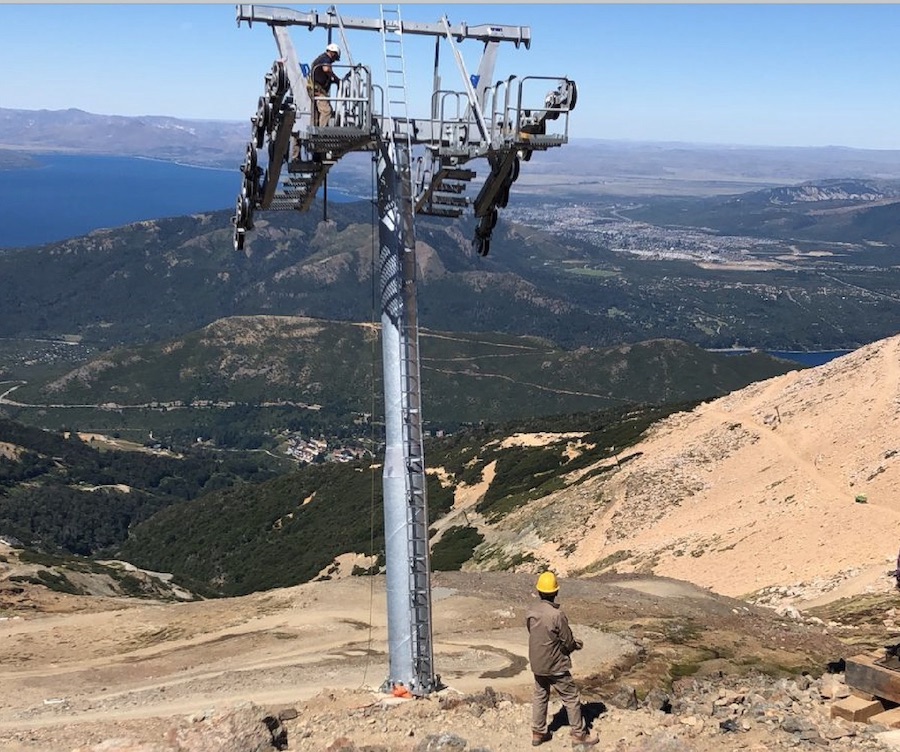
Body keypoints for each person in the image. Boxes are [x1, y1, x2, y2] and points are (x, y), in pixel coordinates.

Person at [526, 571, 598, 748]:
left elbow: (534, 634)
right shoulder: (557, 615)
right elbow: (567, 640)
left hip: (537, 662)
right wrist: (574, 646)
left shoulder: (531, 612)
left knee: (541, 695)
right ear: (555, 592)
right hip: (555, 663)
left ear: (539, 591)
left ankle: (538, 733)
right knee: (571, 697)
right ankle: (579, 736)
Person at [309, 43, 342, 127]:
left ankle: (315, 128)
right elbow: (326, 69)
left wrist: (334, 81)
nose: (334, 61)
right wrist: (336, 78)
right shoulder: (325, 58)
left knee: (317, 112)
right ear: (333, 53)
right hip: (317, 88)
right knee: (326, 111)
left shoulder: (321, 58)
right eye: (335, 58)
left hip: (314, 87)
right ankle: (321, 132)